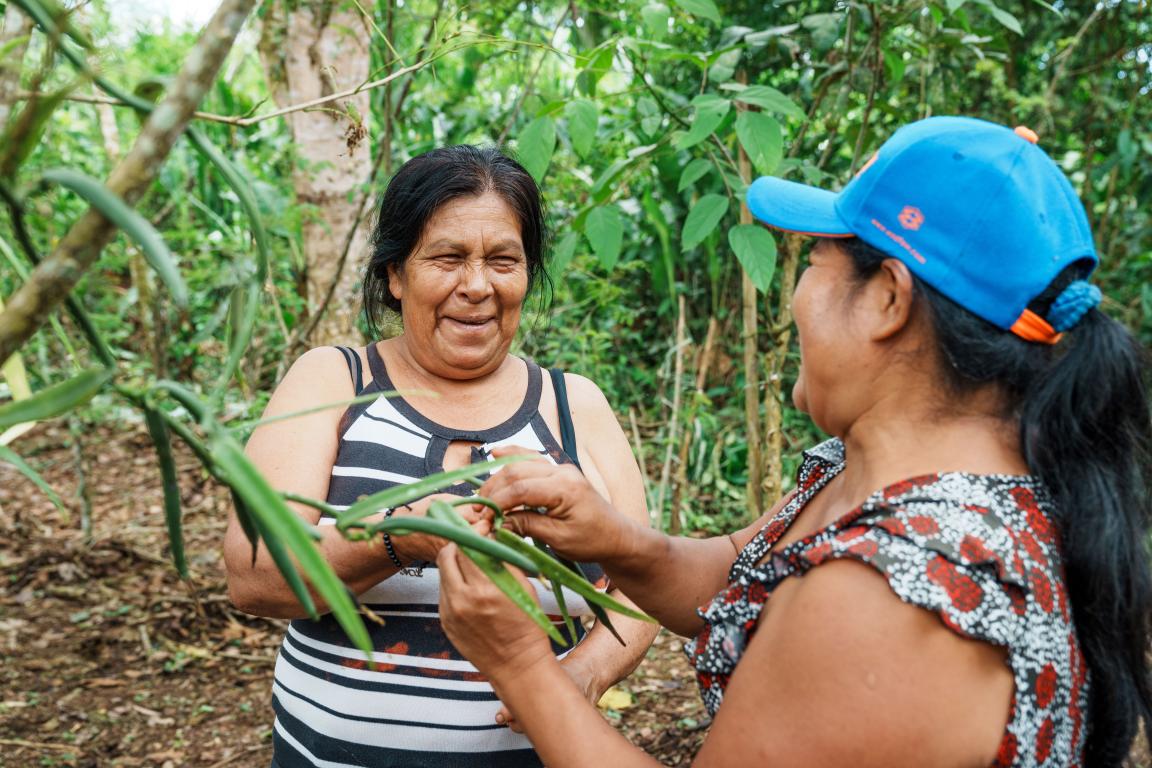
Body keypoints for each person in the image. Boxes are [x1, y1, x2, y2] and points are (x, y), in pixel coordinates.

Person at [436, 117, 1152, 767]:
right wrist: (615, 541)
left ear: (888, 299)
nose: (796, 294)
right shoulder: (872, 475)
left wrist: (520, 664)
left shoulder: (889, 591)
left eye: (812, 263)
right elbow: (742, 579)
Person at [223, 145, 657, 768]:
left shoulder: (574, 404)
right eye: (448, 258)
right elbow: (253, 572)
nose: (477, 286)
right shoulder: (333, 380)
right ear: (396, 274)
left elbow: (641, 588)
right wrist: (407, 532)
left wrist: (587, 673)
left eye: (503, 260)